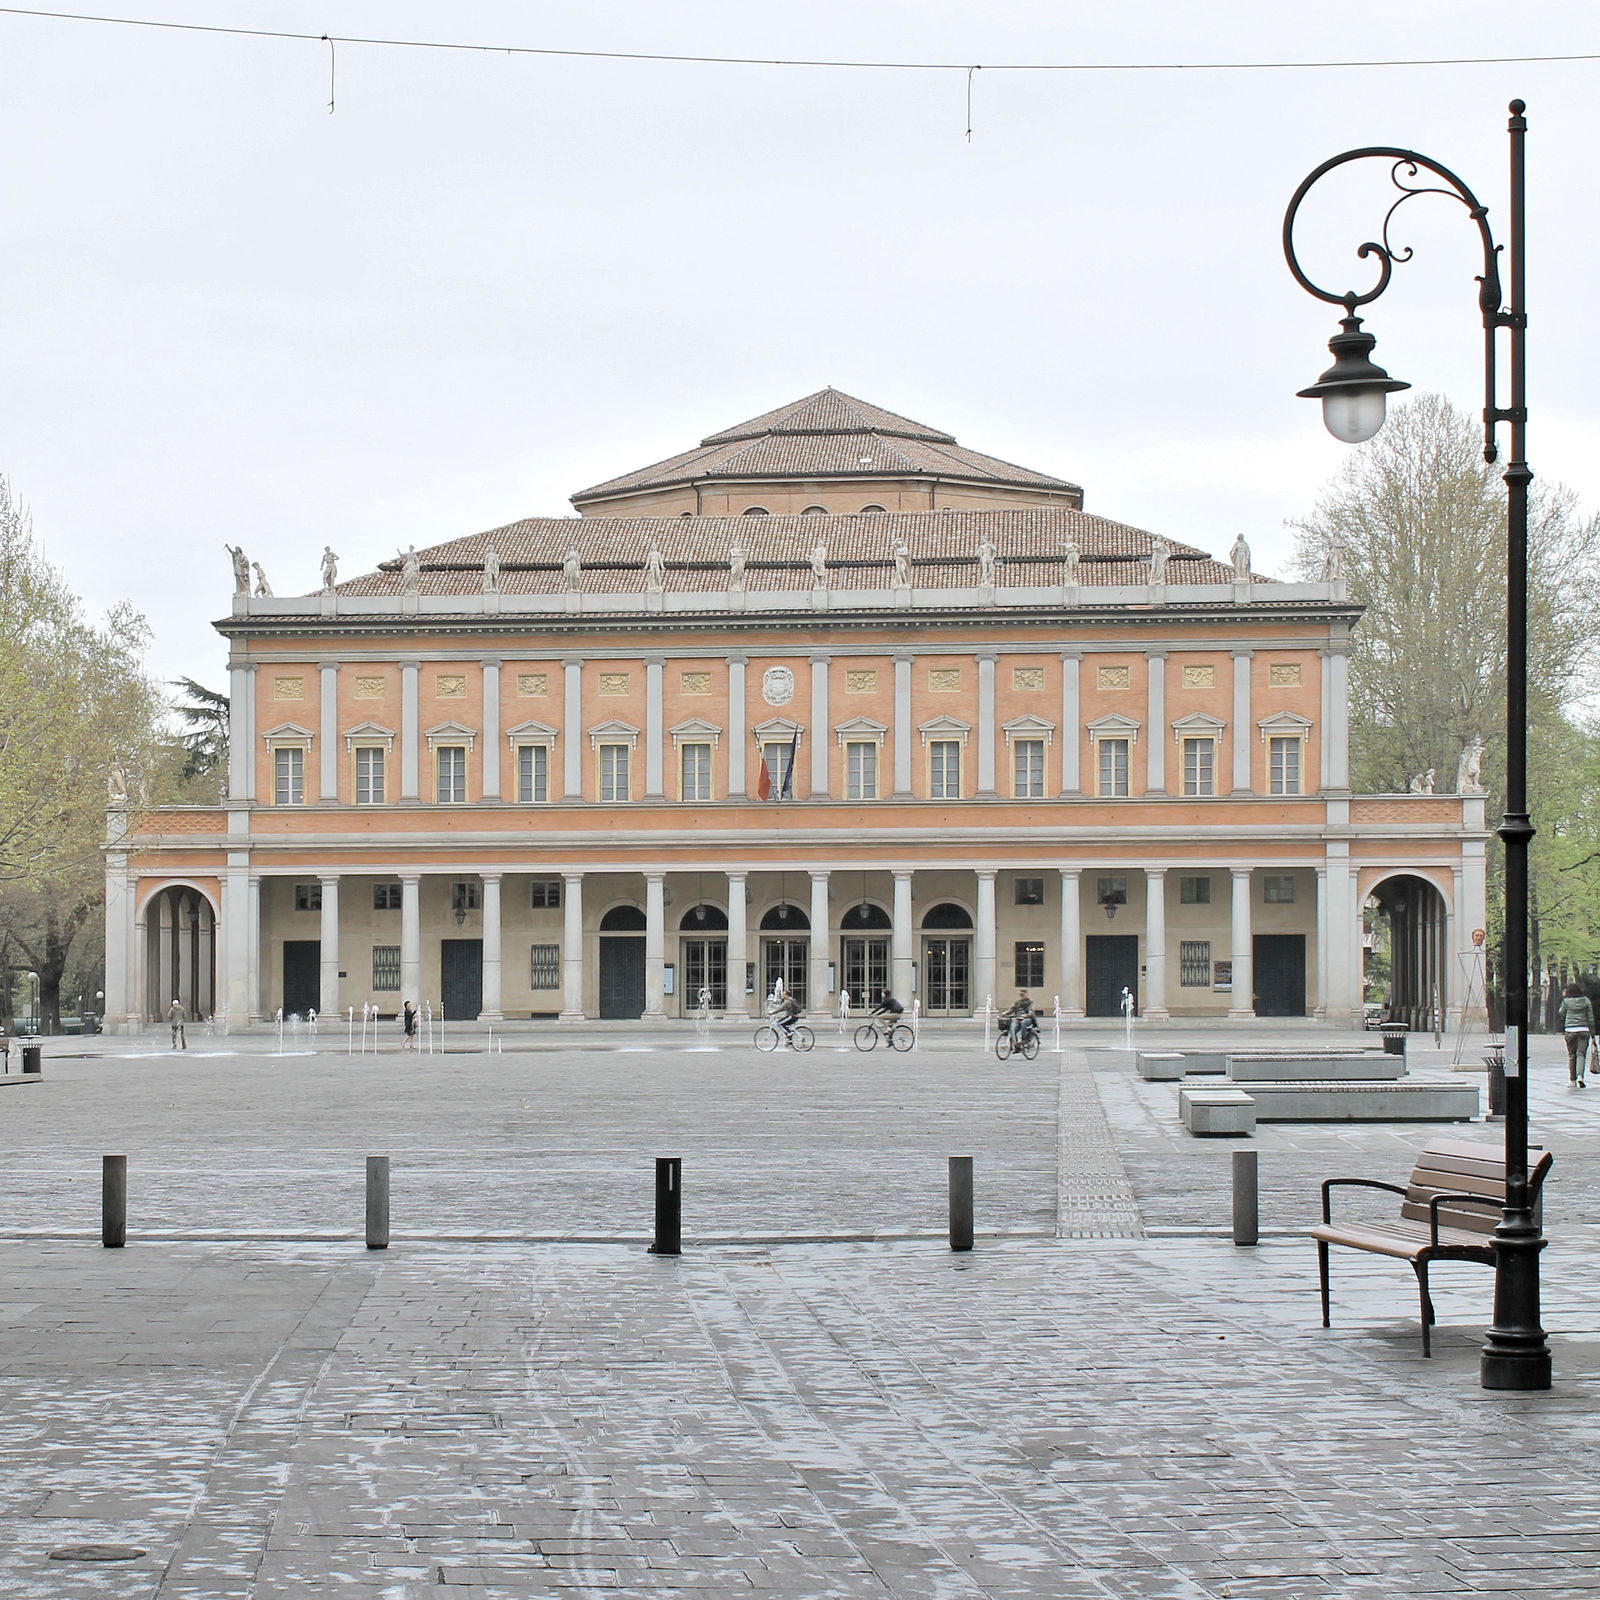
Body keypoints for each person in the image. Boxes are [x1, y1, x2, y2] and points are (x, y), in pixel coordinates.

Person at [1558, 983, 1595, 1087]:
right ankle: (1580, 1076)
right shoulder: (1586, 1001)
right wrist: (1592, 1033)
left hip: (1570, 1030)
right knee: (1581, 1054)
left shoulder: (1566, 1001)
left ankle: (1572, 1080)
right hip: (1584, 1029)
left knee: (1572, 1055)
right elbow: (1591, 1018)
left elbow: (1561, 1012)